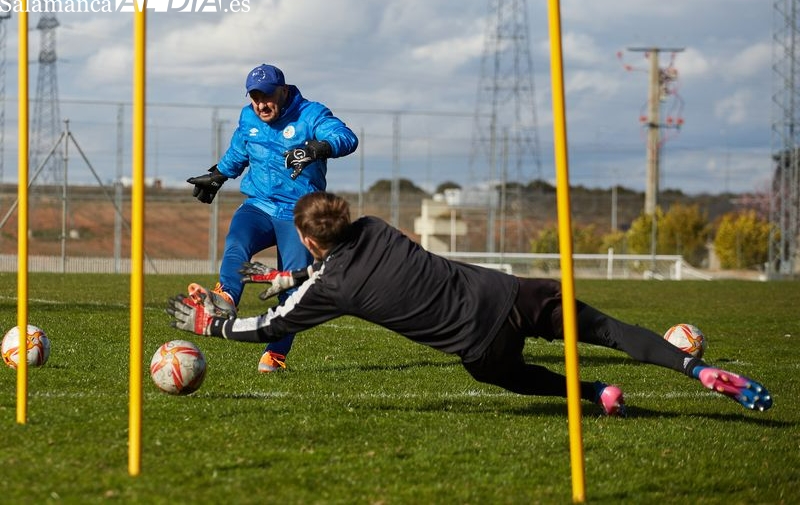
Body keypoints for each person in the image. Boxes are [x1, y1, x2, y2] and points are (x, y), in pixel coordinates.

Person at [166, 192, 773, 415]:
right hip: (511, 291)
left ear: (305, 238)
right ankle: (694, 368)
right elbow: (328, 264)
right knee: (611, 330)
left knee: (512, 377)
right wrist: (283, 276)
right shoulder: (375, 226)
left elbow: (272, 322)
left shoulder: (332, 289)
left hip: (481, 345)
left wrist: (216, 326)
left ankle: (594, 395)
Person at [185, 64, 358, 373]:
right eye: (255, 97)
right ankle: (226, 297)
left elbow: (346, 137)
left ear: (283, 90)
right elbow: (240, 150)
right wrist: (217, 175)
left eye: (267, 97)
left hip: (299, 212)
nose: (261, 104)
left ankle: (274, 355)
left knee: (292, 287)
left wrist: (318, 147)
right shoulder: (248, 116)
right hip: (260, 205)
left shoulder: (311, 114)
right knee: (237, 241)